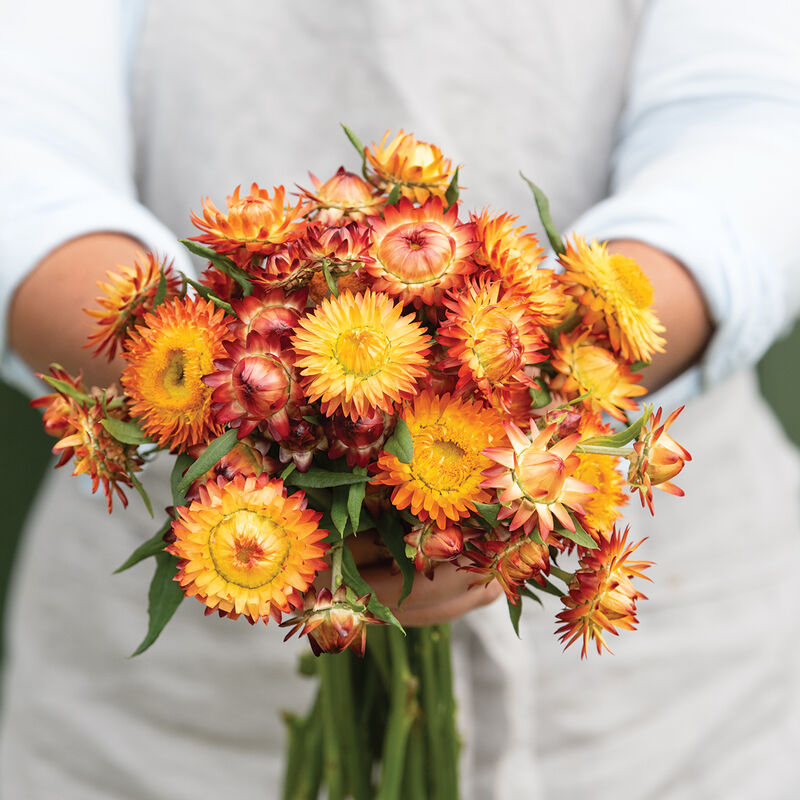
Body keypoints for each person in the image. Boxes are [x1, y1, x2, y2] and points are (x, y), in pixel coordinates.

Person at [2, 1, 799, 797]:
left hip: (673, 705)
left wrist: (533, 397)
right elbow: (22, 145)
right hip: (168, 724)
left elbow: (760, 126)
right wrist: (246, 412)